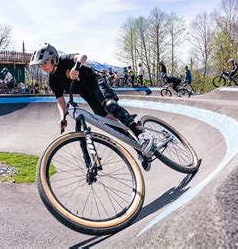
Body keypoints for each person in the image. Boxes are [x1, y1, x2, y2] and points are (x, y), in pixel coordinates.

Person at [30, 43, 155, 171]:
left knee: (109, 105)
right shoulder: (52, 81)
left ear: (53, 59)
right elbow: (60, 101)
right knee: (112, 124)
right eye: (40, 65)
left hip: (96, 83)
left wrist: (76, 67)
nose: (42, 67)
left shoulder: (63, 60)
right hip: (88, 95)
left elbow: (82, 56)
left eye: (44, 63)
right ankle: (139, 150)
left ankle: (139, 132)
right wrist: (62, 118)